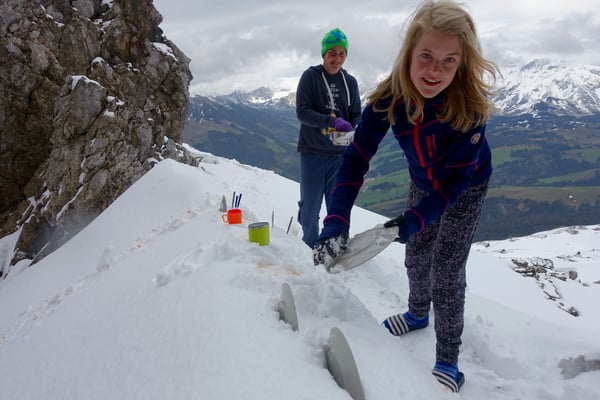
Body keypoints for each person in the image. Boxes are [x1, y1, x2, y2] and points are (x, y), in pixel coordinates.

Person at [313, 0, 499, 393]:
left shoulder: (468, 110)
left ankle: (448, 360)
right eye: (426, 56)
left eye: (449, 60)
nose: (435, 70)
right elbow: (355, 160)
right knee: (415, 252)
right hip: (423, 180)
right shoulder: (390, 99)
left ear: (462, 63)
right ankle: (417, 315)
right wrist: (336, 222)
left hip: (466, 187)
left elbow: (455, 182)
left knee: (446, 269)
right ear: (409, 53)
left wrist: (414, 218)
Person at [295, 28, 362, 248]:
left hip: (340, 155)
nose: (337, 58)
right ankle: (309, 248)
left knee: (338, 207)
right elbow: (302, 112)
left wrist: (356, 126)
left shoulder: (350, 82)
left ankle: (336, 247)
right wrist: (332, 122)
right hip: (312, 151)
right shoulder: (311, 77)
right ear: (324, 53)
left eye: (342, 53)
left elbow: (356, 114)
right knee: (310, 208)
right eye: (332, 53)